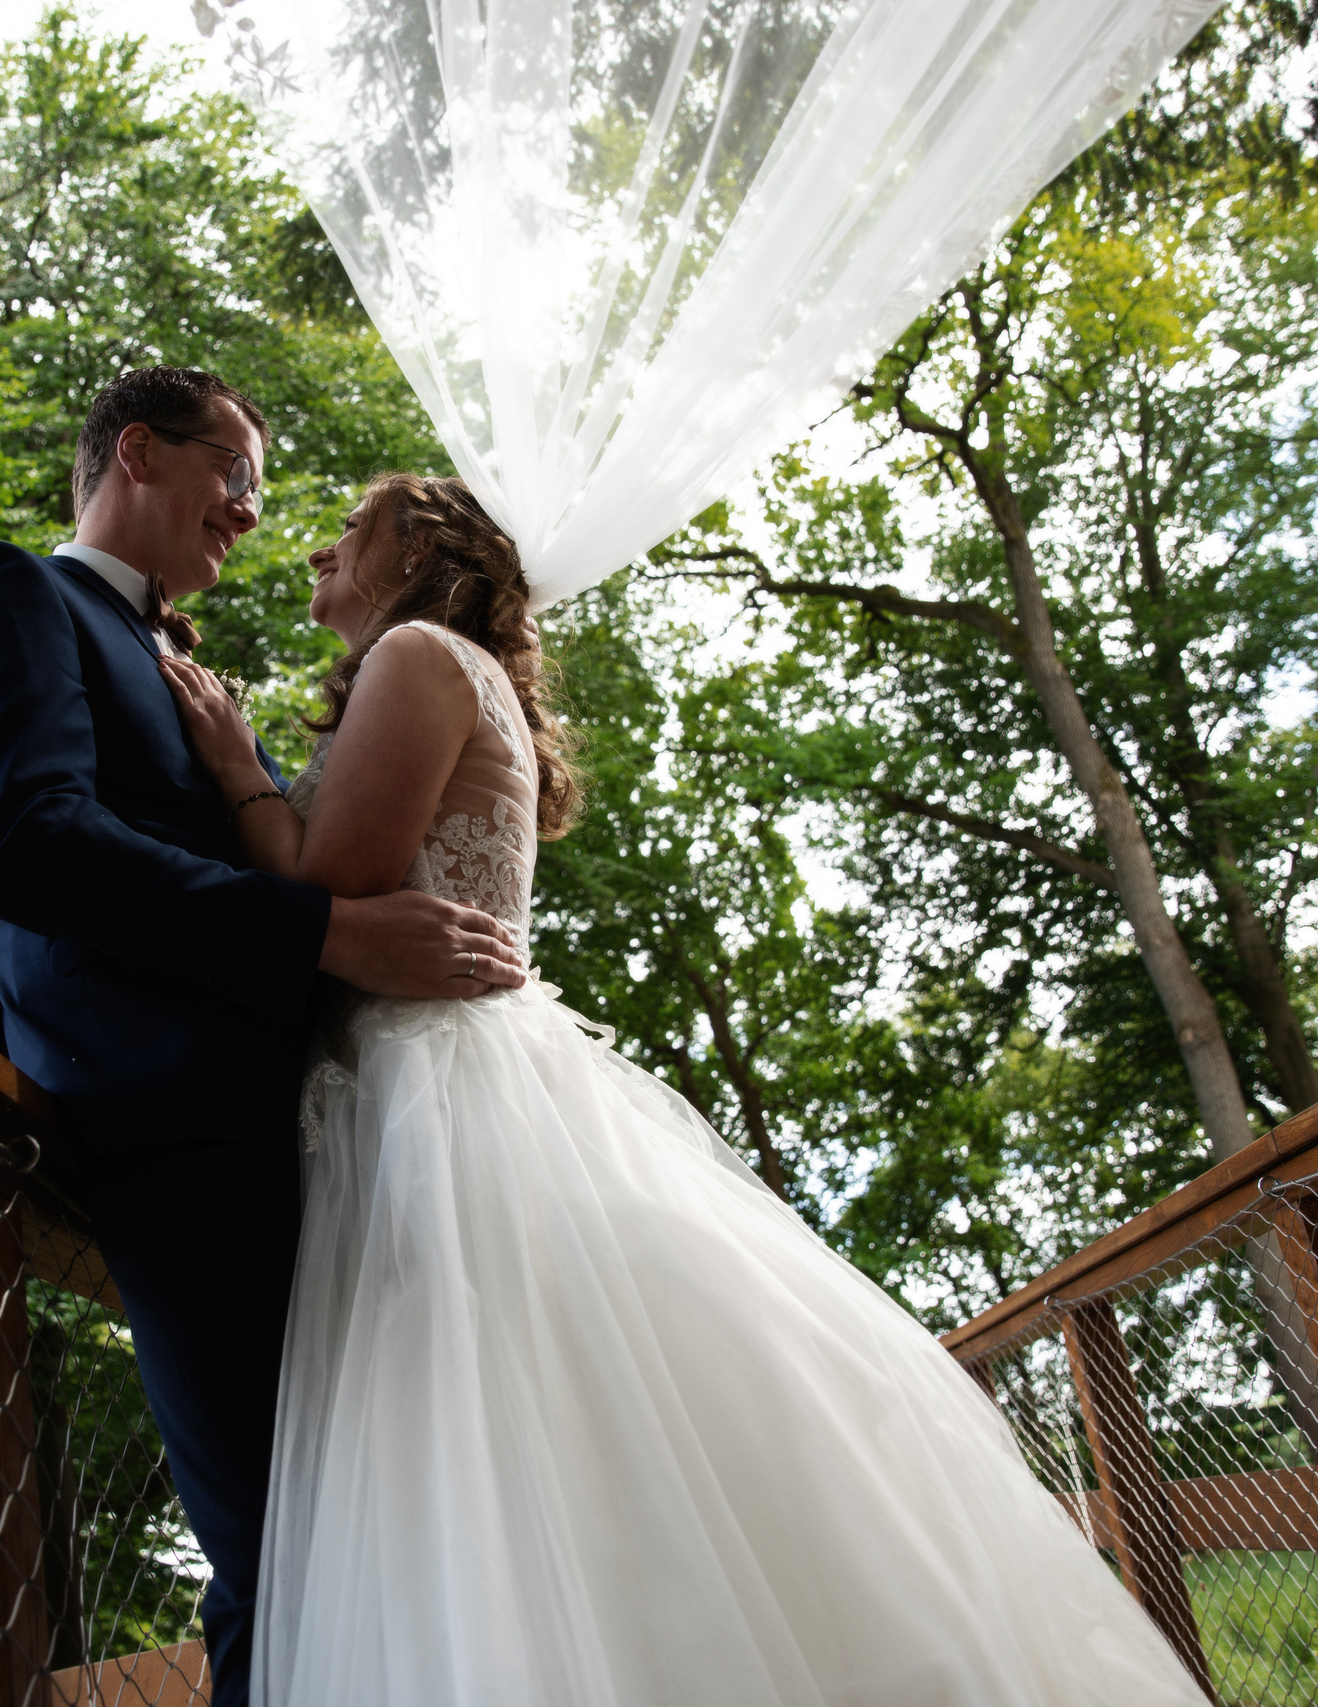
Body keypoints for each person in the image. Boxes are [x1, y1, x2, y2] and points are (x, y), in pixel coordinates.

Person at [157, 473, 1212, 1707]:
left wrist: (233, 761)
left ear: (420, 551)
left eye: (353, 527)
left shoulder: (420, 657)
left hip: (434, 1099)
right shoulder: (443, 667)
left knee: (477, 1454)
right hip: (453, 1085)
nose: (324, 548)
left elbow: (325, 882)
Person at [0, 370, 526, 1707]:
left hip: (320, 1138)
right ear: (137, 451)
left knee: (358, 1537)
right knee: (281, 1549)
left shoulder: (187, 671)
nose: (255, 511)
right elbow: (29, 845)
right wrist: (329, 937)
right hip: (175, 1129)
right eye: (233, 473)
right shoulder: (10, 591)